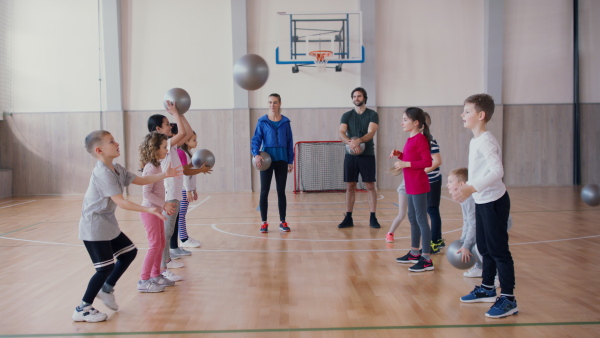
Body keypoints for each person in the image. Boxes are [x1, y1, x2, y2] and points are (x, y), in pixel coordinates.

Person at [73, 130, 181, 322]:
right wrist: (149, 210)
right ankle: (83, 307)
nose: (116, 143)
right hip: (94, 226)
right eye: (111, 142)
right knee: (104, 268)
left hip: (107, 224)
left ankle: (106, 289)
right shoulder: (102, 173)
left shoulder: (116, 169)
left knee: (129, 253)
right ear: (99, 150)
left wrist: (165, 174)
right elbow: (121, 202)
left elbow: (140, 180)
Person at [451, 93, 517, 319]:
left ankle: (508, 298)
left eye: (467, 111)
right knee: (485, 248)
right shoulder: (475, 140)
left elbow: (498, 172)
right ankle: (487, 288)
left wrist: (471, 187)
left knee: (499, 251)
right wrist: (467, 188)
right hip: (482, 200)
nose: (462, 114)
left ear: (481, 115)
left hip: (494, 202)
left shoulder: (487, 140)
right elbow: (480, 173)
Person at [147, 101, 210, 282]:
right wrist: (175, 112)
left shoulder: (169, 145)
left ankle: (166, 261)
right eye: (167, 124)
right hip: (168, 195)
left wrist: (180, 114)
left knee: (167, 232)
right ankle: (161, 269)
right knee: (165, 234)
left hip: (173, 194)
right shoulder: (163, 144)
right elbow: (183, 133)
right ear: (158, 129)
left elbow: (187, 133)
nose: (171, 127)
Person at [392, 107, 434, 272]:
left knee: (421, 219)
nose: (402, 122)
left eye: (405, 120)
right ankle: (414, 252)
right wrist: (400, 155)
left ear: (416, 123)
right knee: (412, 217)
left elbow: (427, 162)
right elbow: (411, 158)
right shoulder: (410, 139)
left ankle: (426, 259)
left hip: (418, 185)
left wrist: (406, 163)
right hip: (410, 185)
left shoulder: (420, 139)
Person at [138, 132, 179, 292]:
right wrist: (165, 204)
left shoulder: (157, 166)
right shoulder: (150, 168)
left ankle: (156, 275)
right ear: (154, 149)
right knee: (154, 245)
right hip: (149, 212)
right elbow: (146, 193)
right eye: (163, 147)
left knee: (160, 243)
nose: (166, 151)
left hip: (156, 212)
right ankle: (144, 280)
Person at [251, 93, 294, 233]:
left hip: (281, 159)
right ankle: (264, 223)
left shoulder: (286, 122)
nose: (272, 105)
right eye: (270, 102)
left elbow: (289, 142)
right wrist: (256, 154)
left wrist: (290, 161)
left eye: (275, 102)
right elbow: (256, 139)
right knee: (264, 191)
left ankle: (283, 221)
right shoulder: (262, 121)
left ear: (279, 104)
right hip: (266, 161)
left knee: (281, 191)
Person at [338, 87, 380, 229]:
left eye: (359, 96)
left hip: (367, 154)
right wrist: (350, 142)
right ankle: (348, 217)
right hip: (351, 154)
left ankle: (373, 217)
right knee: (350, 186)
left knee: (369, 186)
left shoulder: (372, 114)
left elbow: (371, 132)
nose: (357, 98)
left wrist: (359, 140)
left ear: (364, 98)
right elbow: (341, 133)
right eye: (354, 96)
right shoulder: (347, 115)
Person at [177, 131, 203, 247]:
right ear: (186, 141)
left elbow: (192, 175)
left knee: (182, 214)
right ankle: (183, 239)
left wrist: (194, 189)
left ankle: (184, 237)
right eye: (194, 140)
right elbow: (185, 174)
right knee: (181, 214)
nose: (196, 142)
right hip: (183, 189)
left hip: (186, 189)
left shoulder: (189, 153)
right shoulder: (183, 154)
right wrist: (188, 190)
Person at [423, 112, 444, 253]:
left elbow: (437, 161)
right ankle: (438, 239)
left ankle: (435, 242)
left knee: (432, 210)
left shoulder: (430, 141)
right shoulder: (420, 140)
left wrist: (422, 171)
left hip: (433, 181)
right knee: (429, 210)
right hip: (425, 181)